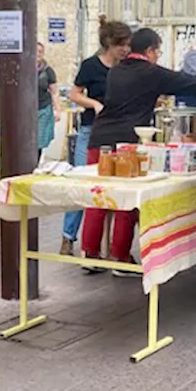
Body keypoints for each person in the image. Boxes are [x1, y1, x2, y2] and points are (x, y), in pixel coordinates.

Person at [81, 28, 196, 274]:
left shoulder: (115, 71)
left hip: (100, 137)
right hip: (128, 142)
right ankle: (120, 257)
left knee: (97, 197)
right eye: (158, 51)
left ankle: (89, 253)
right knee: (127, 200)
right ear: (149, 51)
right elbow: (191, 84)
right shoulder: (152, 73)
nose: (158, 56)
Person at [62, 18, 132, 256]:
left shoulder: (127, 67)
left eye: (127, 44)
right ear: (108, 44)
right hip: (90, 130)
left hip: (117, 133)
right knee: (86, 187)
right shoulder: (91, 66)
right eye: (120, 44)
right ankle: (68, 236)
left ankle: (105, 247)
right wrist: (94, 104)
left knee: (113, 191)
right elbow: (74, 94)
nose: (125, 49)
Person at [36, 42, 60, 153]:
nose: (38, 54)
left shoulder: (47, 71)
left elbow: (54, 92)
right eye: (35, 51)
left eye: (40, 52)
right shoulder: (23, 69)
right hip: (25, 110)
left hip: (43, 108)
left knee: (39, 140)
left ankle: (36, 162)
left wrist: (57, 110)